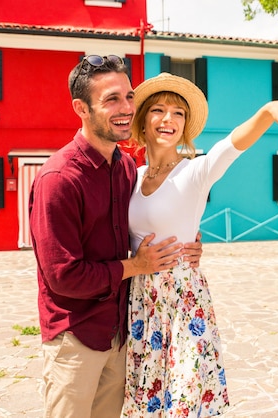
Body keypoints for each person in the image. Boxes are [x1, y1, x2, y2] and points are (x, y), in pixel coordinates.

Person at [123, 72, 278, 417]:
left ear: (185, 126)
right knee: (147, 400)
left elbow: (232, 144)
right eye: (158, 110)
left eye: (178, 113)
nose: (168, 119)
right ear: (143, 122)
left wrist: (268, 111)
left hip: (184, 301)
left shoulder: (195, 172)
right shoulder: (132, 175)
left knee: (185, 400)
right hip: (143, 300)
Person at [28, 56, 203, 418]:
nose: (125, 109)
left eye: (128, 96)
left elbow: (145, 218)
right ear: (82, 108)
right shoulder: (58, 179)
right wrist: (136, 265)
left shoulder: (125, 167)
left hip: (122, 332)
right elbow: (63, 276)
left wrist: (188, 237)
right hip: (75, 337)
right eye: (111, 99)